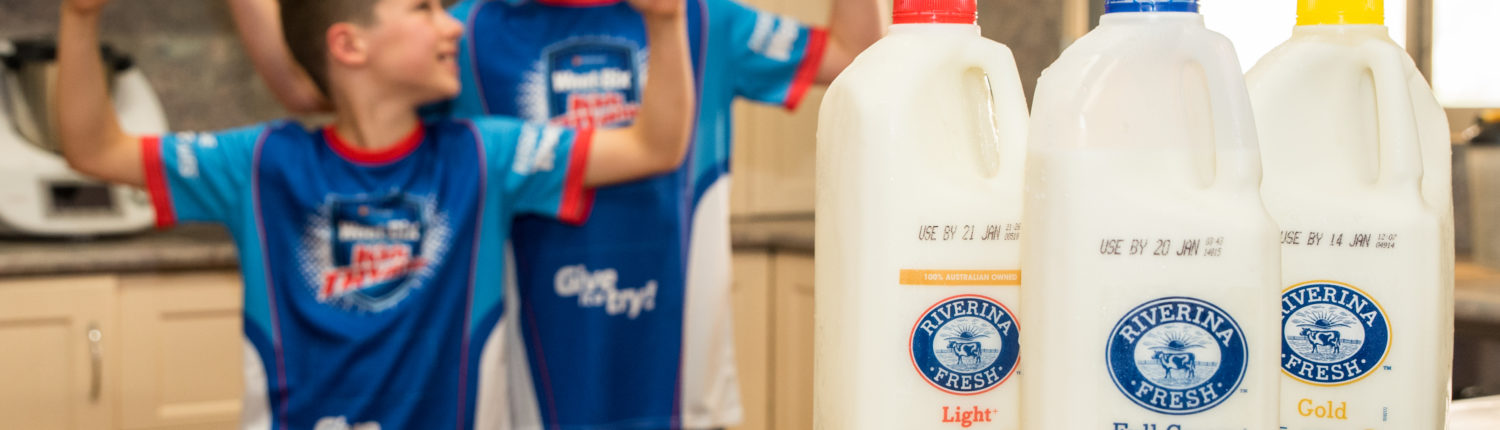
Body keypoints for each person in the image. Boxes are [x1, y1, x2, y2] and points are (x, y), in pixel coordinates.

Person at [228, 0, 881, 428]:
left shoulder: (701, 19)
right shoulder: (468, 31)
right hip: (527, 388)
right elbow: (327, 80)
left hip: (679, 382)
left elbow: (857, 60)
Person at [55, 0, 694, 427]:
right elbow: (94, 148)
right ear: (349, 44)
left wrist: (664, 25)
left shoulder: (484, 156)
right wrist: (78, 17)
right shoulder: (259, 165)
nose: (453, 26)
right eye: (423, 8)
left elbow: (655, 145)